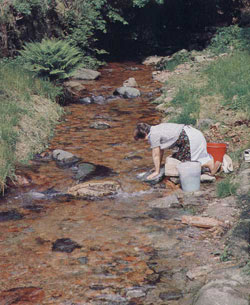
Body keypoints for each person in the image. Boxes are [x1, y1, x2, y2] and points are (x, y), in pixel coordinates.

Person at [134, 122, 221, 180]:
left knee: (185, 166)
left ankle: (208, 163)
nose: (146, 141)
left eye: (143, 139)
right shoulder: (155, 129)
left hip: (191, 139)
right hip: (192, 134)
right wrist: (158, 167)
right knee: (177, 158)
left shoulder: (153, 135)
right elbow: (160, 151)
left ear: (145, 134)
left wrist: (157, 172)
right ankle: (208, 163)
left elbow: (156, 155)